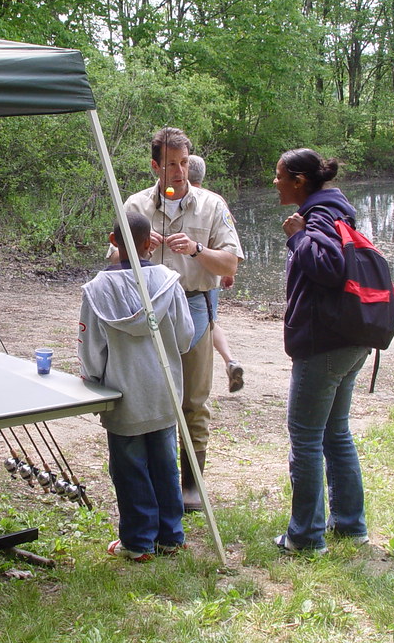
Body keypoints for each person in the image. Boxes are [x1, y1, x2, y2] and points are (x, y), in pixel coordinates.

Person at [113, 127, 244, 511]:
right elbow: (112, 261)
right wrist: (136, 249)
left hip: (194, 305)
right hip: (145, 306)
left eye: (184, 163)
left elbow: (231, 262)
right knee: (148, 393)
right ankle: (156, 481)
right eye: (171, 164)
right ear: (156, 166)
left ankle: (191, 487)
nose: (179, 172)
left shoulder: (212, 205)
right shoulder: (135, 206)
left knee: (193, 400)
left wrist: (198, 249)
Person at [79, 212, 193, 562]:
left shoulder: (97, 290)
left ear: (113, 241)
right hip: (162, 389)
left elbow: (91, 347)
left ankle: (139, 541)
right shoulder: (168, 282)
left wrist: (94, 378)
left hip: (123, 391)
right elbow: (186, 337)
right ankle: (170, 536)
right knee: (163, 462)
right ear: (149, 244)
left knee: (129, 468)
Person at [273, 147, 370, 554]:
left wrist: (297, 236)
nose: (274, 182)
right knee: (335, 432)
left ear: (298, 180)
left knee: (307, 437)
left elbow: (329, 269)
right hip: (351, 337)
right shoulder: (337, 210)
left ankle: (306, 536)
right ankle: (349, 525)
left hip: (325, 343)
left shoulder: (317, 216)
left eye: (279, 175)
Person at [187, 154, 244, 393]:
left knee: (208, 324)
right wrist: (230, 273)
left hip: (195, 280)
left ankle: (228, 362)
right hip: (211, 276)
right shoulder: (217, 199)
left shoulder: (207, 202)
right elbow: (230, 241)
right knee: (210, 322)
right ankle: (229, 361)